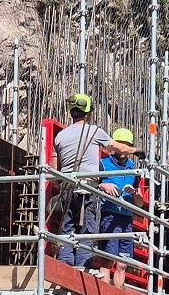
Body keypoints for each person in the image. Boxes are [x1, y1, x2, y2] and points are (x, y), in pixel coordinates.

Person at [51, 94, 134, 268]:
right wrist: (136, 151)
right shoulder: (95, 131)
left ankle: (65, 268)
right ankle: (82, 270)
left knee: (68, 229)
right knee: (88, 231)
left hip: (67, 188)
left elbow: (55, 173)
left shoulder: (60, 137)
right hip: (88, 189)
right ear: (88, 113)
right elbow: (118, 147)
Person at [95, 127, 144, 284]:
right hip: (109, 216)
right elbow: (91, 185)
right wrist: (104, 186)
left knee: (123, 263)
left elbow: (140, 204)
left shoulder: (134, 170)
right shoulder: (102, 165)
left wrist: (134, 192)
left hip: (126, 219)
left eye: (125, 145)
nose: (122, 149)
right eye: (119, 144)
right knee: (108, 259)